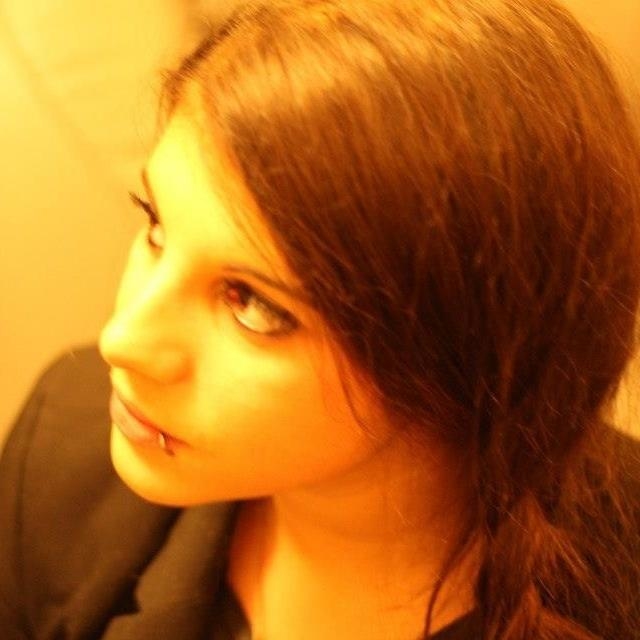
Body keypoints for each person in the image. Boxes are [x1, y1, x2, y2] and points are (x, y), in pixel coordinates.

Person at [1, 0, 639, 638]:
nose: (123, 341)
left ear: (459, 356)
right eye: (155, 226)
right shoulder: (62, 454)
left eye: (254, 304)